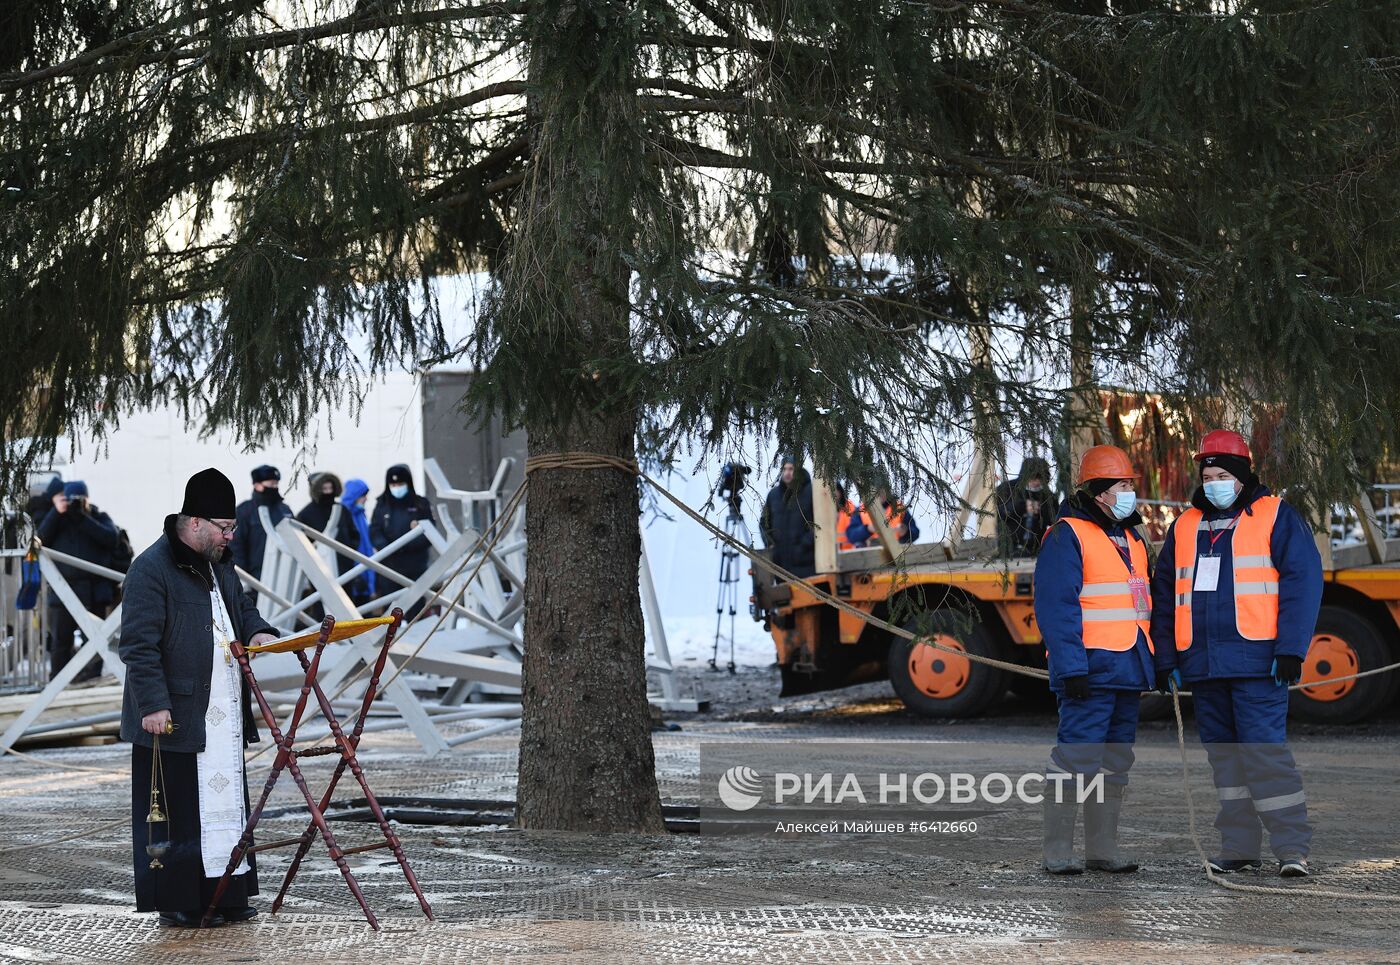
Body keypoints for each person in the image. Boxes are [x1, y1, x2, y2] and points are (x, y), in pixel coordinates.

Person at [1150, 430, 1321, 878]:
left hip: (1258, 663)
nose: (1213, 483)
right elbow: (1165, 595)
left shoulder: (1275, 515)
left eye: (1223, 474)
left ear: (1243, 477)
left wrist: (1290, 650)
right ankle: (1240, 849)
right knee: (1226, 763)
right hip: (1203, 666)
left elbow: (1303, 584)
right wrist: (1166, 658)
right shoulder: (1185, 526)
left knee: (1264, 755)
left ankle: (1291, 850)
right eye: (1207, 475)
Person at [118, 468, 279, 927]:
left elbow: (238, 607)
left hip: (222, 710)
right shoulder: (151, 568)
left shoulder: (217, 560)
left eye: (231, 528)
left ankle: (227, 892)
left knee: (225, 808)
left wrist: (259, 630)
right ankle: (181, 899)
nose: (230, 536)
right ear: (194, 523)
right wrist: (152, 703)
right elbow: (138, 644)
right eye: (223, 528)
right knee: (181, 811)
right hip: (173, 712)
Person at [1033, 444, 1154, 875]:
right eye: (1122, 486)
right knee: (1077, 758)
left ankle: (1102, 850)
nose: (1128, 493)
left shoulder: (1130, 536)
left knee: (1115, 761)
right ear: (1100, 492)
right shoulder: (1068, 534)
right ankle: (1057, 852)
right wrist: (1071, 668)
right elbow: (1056, 607)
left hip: (1126, 666)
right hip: (1091, 668)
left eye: (1129, 485)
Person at [36, 480, 122, 681]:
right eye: (71, 499)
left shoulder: (97, 516)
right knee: (60, 640)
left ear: (87, 499)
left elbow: (111, 538)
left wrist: (83, 518)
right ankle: (59, 679)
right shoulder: (57, 518)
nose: (75, 503)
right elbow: (40, 538)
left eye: (79, 499)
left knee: (94, 639)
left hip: (93, 589)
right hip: (62, 589)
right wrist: (56, 512)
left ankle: (89, 678)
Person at [370, 465, 436, 615]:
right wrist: (387, 547)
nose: (397, 488)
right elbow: (374, 530)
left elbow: (429, 532)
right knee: (390, 615)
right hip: (389, 568)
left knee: (416, 612)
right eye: (393, 485)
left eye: (400, 484)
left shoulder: (420, 504)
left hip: (415, 567)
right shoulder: (382, 505)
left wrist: (407, 546)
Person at [230, 465, 292, 583]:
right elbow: (236, 547)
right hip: (257, 577)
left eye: (276, 484)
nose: (274, 487)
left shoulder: (285, 510)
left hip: (284, 575)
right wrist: (243, 580)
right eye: (271, 484)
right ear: (257, 485)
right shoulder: (244, 511)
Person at [759, 457, 816, 578]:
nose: (787, 472)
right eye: (784, 469)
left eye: (791, 469)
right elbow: (764, 522)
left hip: (807, 563)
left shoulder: (811, 491)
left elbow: (819, 523)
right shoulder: (773, 495)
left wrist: (804, 545)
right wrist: (769, 542)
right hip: (780, 565)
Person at [996, 456, 1057, 556]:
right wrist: (1022, 507)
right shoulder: (1007, 488)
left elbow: (1053, 520)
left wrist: (1040, 510)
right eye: (1031, 479)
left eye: (1038, 479)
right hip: (1009, 547)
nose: (1034, 482)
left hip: (1036, 549)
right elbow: (1001, 513)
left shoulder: (1048, 496)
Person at [340, 478, 377, 605]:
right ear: (354, 496)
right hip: (355, 575)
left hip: (365, 573)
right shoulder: (344, 516)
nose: (366, 499)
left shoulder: (361, 515)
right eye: (363, 496)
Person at [845, 497, 920, 547]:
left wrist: (905, 531)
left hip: (898, 553)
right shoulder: (860, 511)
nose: (881, 493)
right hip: (870, 555)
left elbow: (915, 533)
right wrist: (867, 529)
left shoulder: (900, 508)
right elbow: (851, 536)